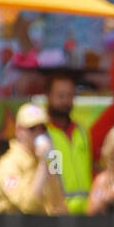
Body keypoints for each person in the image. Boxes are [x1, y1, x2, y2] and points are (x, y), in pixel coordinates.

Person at [0, 103, 67, 215]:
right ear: (18, 131)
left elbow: (59, 204)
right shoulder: (8, 165)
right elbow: (29, 207)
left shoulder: (49, 160)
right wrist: (43, 164)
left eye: (43, 128)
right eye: (32, 128)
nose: (39, 133)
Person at [43, 72, 93, 216]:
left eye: (69, 95)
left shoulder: (82, 132)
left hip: (87, 212)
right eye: (60, 96)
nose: (65, 101)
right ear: (48, 96)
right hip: (57, 213)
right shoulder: (43, 134)